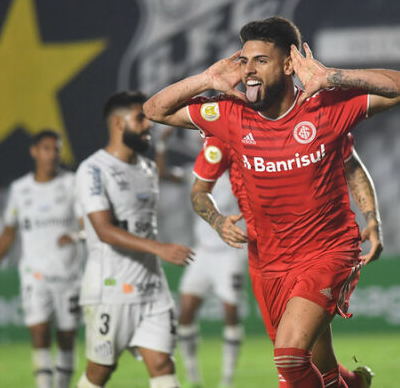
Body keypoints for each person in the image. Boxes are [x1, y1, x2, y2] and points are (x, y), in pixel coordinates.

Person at [144, 16, 400, 387]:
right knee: (319, 369)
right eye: (244, 60)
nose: (249, 71)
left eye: (260, 60)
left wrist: (332, 76)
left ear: (289, 64)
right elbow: (154, 111)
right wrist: (207, 80)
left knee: (289, 358)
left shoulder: (326, 108)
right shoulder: (230, 117)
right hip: (269, 262)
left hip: (327, 251)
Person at [191, 132, 381, 388]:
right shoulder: (228, 127)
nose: (251, 89)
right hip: (267, 261)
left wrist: (372, 218)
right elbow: (199, 190)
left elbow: (351, 164)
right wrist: (217, 220)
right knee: (310, 359)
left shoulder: (315, 114)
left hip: (318, 250)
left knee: (290, 359)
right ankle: (354, 383)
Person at [74, 91, 194, 388]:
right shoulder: (93, 170)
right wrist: (160, 248)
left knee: (163, 364)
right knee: (100, 371)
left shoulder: (148, 168)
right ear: (117, 124)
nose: (147, 124)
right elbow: (103, 230)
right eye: (140, 118)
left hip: (152, 287)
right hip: (110, 289)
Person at [0, 129, 83, 388]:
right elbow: (8, 231)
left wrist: (75, 236)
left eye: (56, 149)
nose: (52, 155)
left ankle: (60, 384)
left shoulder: (72, 183)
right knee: (39, 332)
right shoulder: (20, 189)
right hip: (34, 275)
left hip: (69, 274)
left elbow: (87, 224)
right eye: (47, 148)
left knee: (66, 336)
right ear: (34, 151)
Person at [155, 129, 247, 388]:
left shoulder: (239, 172)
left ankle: (227, 379)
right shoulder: (196, 172)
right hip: (203, 254)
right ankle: (193, 376)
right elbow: (163, 175)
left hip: (229, 253)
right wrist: (162, 146)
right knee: (185, 313)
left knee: (230, 313)